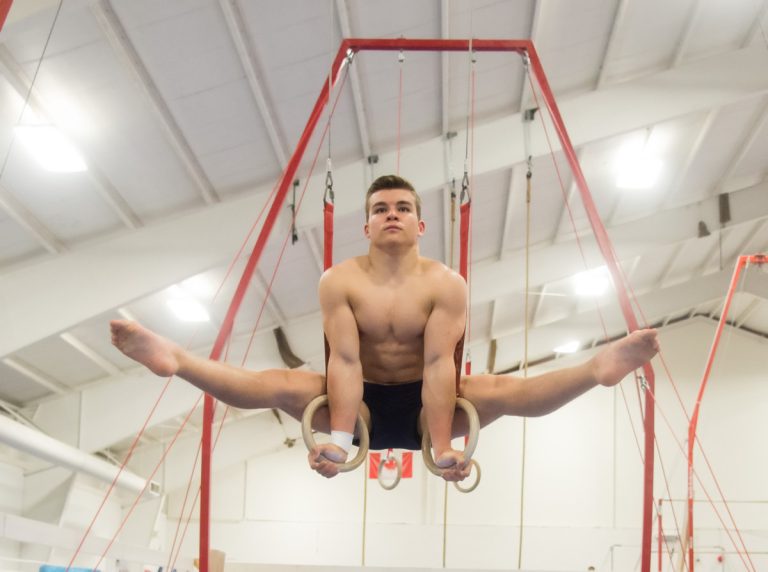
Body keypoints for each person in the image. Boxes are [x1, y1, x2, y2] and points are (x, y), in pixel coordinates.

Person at [110, 175, 659, 482]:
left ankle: (595, 369)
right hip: (360, 401)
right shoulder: (339, 280)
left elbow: (440, 364)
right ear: (367, 224)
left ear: (420, 224)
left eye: (401, 207)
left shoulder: (447, 284)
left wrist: (441, 445)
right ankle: (177, 361)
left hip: (429, 405)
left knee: (499, 389)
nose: (391, 214)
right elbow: (344, 363)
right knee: (287, 383)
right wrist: (338, 441)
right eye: (380, 208)